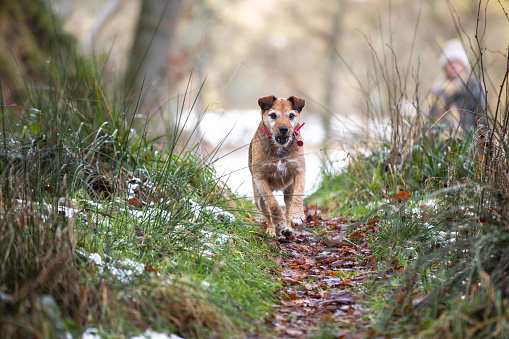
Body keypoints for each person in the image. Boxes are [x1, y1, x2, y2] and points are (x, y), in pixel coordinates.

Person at [427, 39, 487, 140]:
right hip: (439, 142)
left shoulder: (473, 85)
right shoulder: (437, 87)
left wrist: (482, 141)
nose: (453, 65)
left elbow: (482, 117)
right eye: (450, 62)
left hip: (467, 141)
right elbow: (429, 116)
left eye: (457, 62)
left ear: (464, 64)